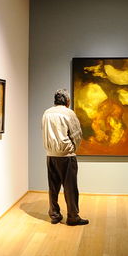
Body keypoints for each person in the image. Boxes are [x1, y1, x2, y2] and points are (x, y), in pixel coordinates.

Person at [42, 89, 89, 226]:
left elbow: (44, 131)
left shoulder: (46, 113)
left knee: (53, 187)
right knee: (70, 187)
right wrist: (72, 148)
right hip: (66, 156)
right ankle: (73, 217)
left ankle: (54, 215)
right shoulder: (69, 113)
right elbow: (77, 134)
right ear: (67, 101)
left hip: (50, 155)